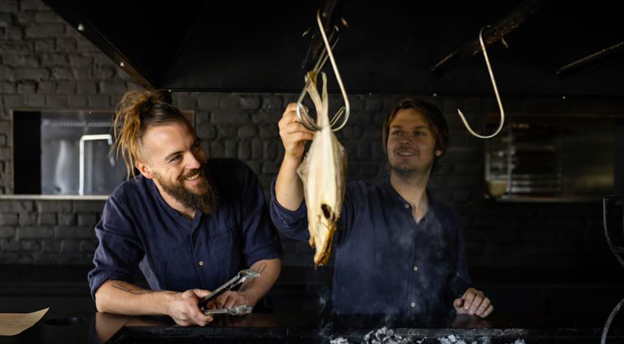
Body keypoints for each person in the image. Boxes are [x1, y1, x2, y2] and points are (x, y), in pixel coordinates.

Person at [271, 98, 493, 321]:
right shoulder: (356, 201)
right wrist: (292, 156)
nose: (405, 140)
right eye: (397, 132)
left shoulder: (448, 220)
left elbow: (457, 290)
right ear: (386, 142)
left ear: (439, 146)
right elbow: (293, 218)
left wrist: (468, 300)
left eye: (419, 133)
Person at [88, 90, 282, 326]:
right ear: (146, 169)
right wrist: (170, 303)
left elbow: (266, 256)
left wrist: (246, 295)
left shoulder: (238, 178)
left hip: (246, 326)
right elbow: (105, 292)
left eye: (196, 146)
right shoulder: (126, 203)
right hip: (173, 335)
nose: (196, 162)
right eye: (176, 157)